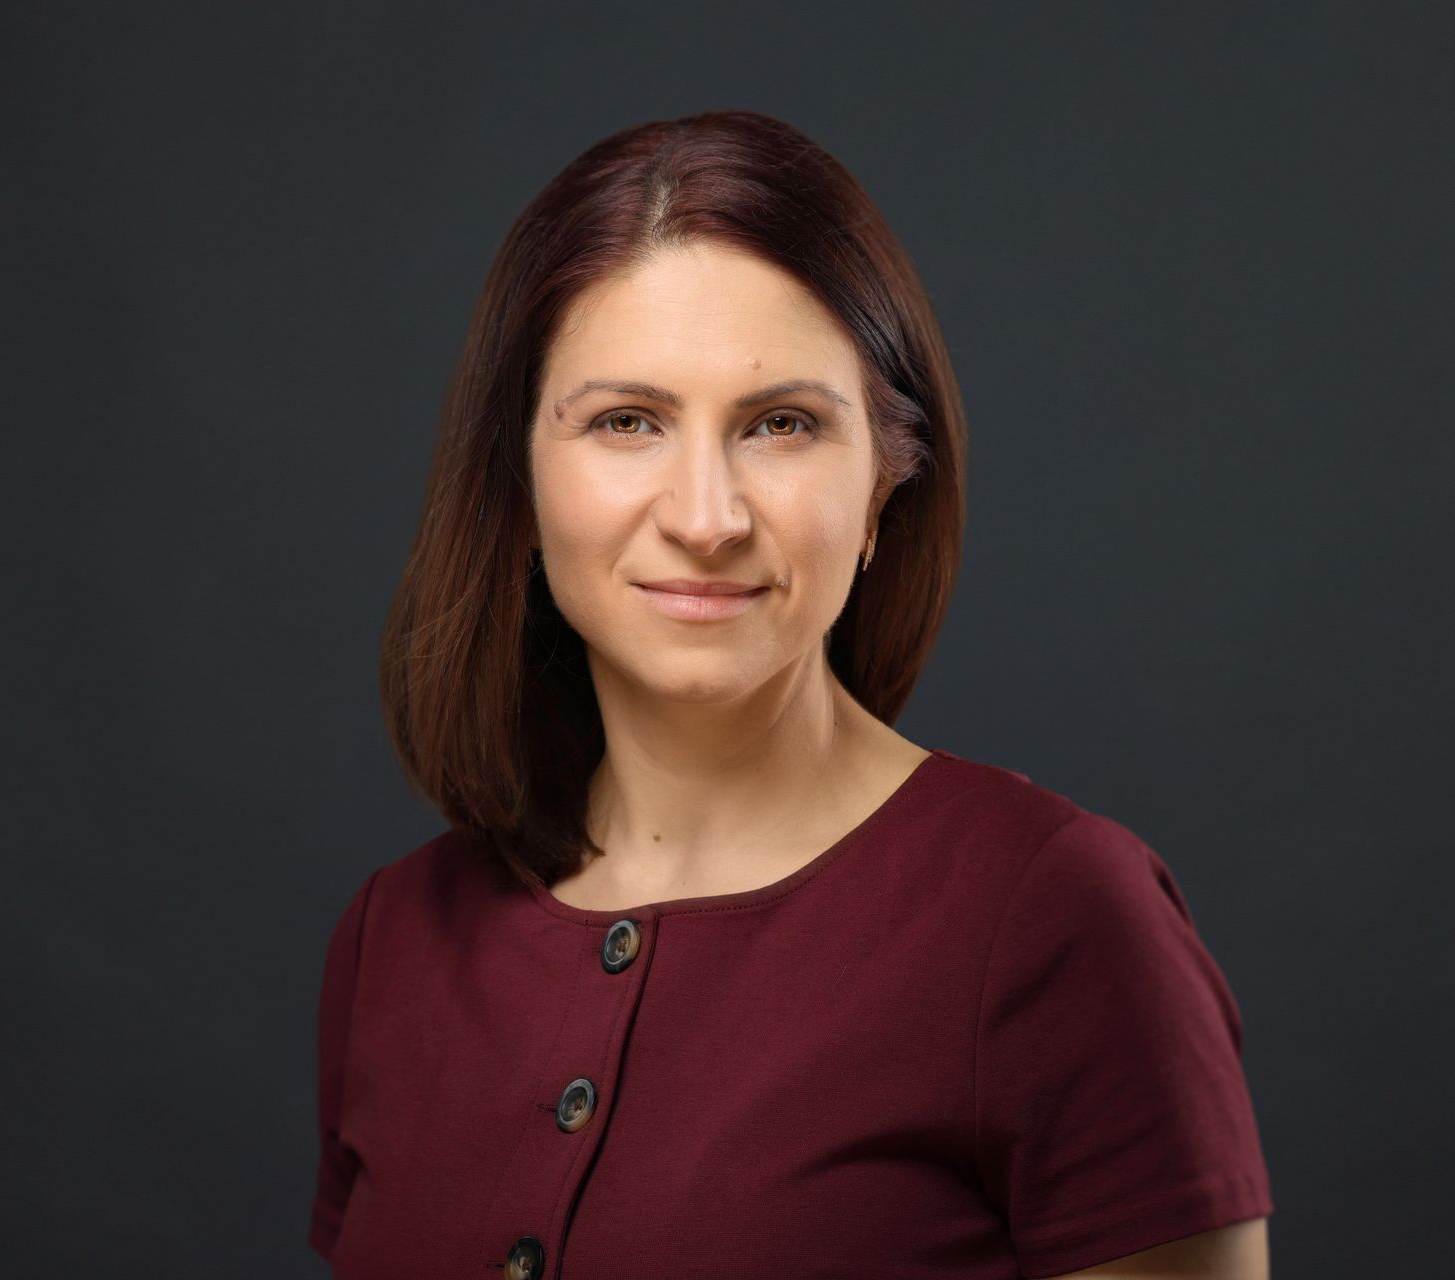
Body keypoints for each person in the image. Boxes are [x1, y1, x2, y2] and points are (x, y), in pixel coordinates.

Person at [310, 109, 1274, 1278]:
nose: (705, 517)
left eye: (780, 425)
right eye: (627, 421)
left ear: (882, 488)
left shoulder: (1060, 918)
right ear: (516, 482)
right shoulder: (397, 938)